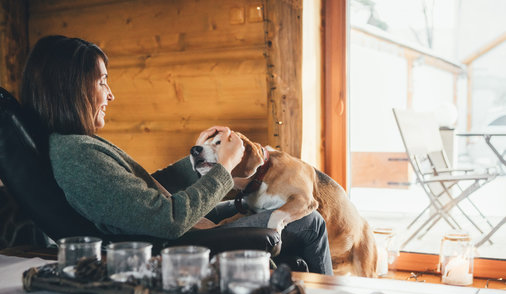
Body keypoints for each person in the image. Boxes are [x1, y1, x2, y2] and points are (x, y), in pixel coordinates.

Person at [21, 35, 333, 275]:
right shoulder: (78, 156)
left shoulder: (75, 146)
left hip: (183, 228)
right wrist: (222, 168)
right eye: (102, 81)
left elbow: (143, 191)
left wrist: (200, 159)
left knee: (261, 206)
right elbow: (168, 219)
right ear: (71, 88)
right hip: (181, 243)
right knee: (312, 222)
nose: (111, 94)